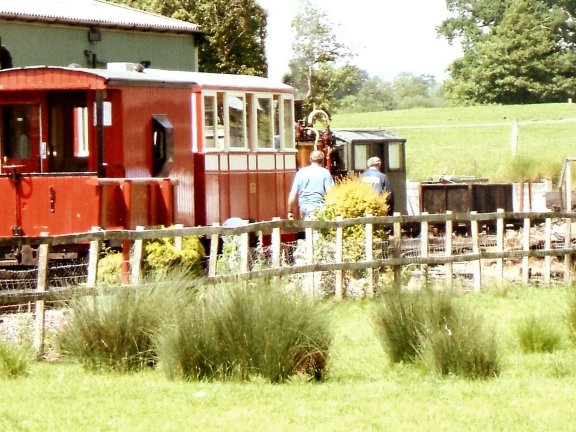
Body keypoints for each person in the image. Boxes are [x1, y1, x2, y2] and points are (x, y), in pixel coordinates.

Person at [287, 150, 334, 220]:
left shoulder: (301, 172)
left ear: (310, 159)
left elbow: (293, 193)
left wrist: (290, 211)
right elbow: (331, 193)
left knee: (308, 229)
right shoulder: (325, 173)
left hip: (304, 208)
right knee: (317, 230)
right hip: (319, 207)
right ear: (322, 160)